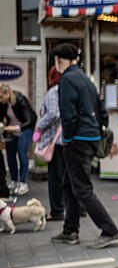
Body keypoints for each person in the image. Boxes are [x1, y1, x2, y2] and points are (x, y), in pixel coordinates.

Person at [49, 43, 118, 249]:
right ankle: (70, 230)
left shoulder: (66, 79)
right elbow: (101, 108)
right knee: (69, 184)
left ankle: (110, 231)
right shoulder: (85, 79)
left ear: (58, 60)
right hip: (90, 138)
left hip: (77, 140)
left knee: (82, 189)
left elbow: (68, 114)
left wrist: (69, 137)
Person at [35, 66, 66, 220]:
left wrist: (39, 126)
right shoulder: (70, 91)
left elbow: (53, 113)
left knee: (55, 178)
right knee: (71, 177)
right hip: (69, 140)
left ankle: (57, 211)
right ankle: (78, 209)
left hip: (56, 142)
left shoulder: (54, 91)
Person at [0, 84, 37, 196]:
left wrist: (15, 128)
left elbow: (30, 120)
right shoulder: (2, 103)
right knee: (10, 155)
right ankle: (14, 180)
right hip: (11, 129)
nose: (0, 100)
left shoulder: (20, 100)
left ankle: (22, 183)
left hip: (25, 129)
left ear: (7, 94)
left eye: (1, 97)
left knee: (22, 153)